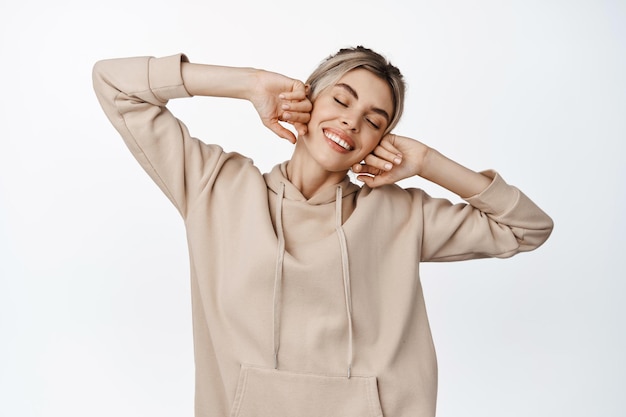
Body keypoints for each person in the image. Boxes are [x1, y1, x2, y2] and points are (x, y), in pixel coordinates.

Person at [92, 46, 553, 417]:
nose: (353, 121)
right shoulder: (216, 187)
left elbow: (527, 228)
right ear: (308, 98)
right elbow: (115, 84)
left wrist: (428, 162)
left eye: (375, 121)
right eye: (341, 99)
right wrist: (249, 83)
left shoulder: (401, 215)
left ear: (381, 141)